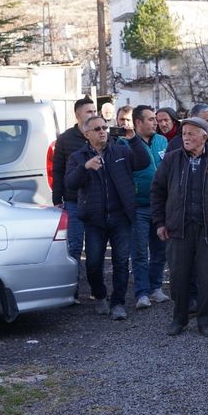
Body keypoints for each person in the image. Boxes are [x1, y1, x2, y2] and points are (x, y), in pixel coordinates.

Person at [151, 117, 208, 337]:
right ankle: (179, 319)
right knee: (179, 277)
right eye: (184, 134)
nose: (186, 137)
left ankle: (206, 320)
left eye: (191, 133)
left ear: (204, 136)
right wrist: (160, 222)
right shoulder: (172, 160)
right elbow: (157, 192)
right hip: (178, 228)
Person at [65, 115, 150, 320]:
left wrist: (134, 139)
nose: (102, 131)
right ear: (86, 134)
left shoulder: (121, 151)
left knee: (121, 262)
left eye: (104, 127)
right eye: (97, 129)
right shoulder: (78, 157)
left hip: (121, 217)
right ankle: (100, 295)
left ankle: (118, 303)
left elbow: (143, 162)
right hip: (94, 220)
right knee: (93, 263)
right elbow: (70, 183)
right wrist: (85, 167)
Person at [118, 105, 170, 310]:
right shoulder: (124, 144)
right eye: (150, 119)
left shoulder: (162, 141)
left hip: (161, 206)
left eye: (155, 119)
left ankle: (156, 287)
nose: (155, 122)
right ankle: (142, 292)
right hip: (138, 206)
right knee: (139, 251)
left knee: (160, 250)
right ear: (138, 122)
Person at [53, 97, 98, 301]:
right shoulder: (65, 139)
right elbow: (58, 170)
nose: (93, 114)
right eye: (89, 111)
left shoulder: (100, 135)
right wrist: (57, 199)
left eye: (94, 111)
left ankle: (97, 290)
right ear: (78, 115)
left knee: (95, 247)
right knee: (74, 246)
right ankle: (74, 290)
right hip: (73, 200)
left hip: (96, 199)